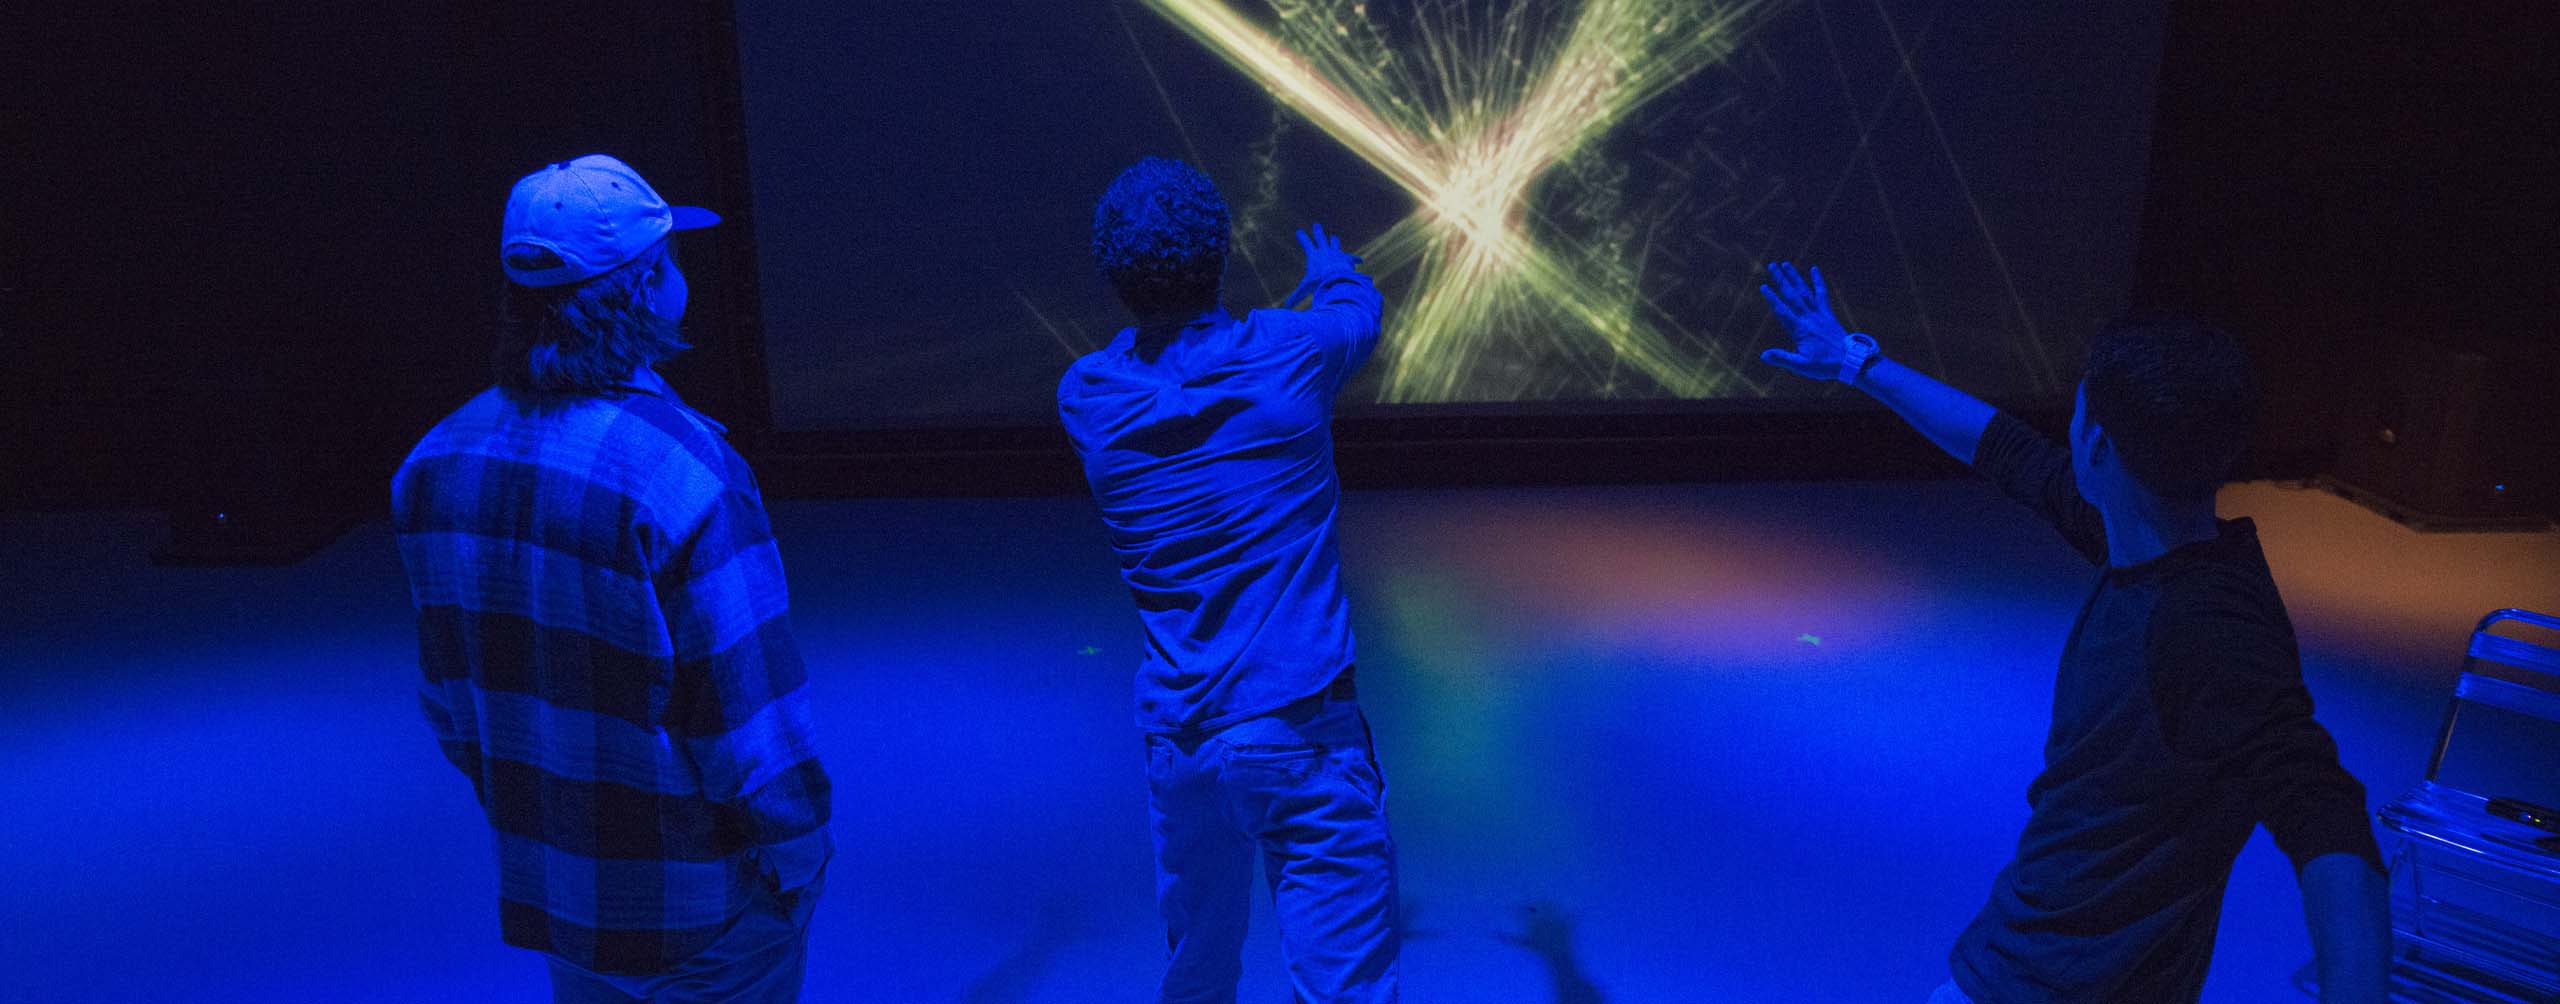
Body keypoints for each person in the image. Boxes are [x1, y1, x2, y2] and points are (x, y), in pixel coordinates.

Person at [1756, 262, 2391, 1004]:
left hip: (2048, 982)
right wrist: (1856, 362)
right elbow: (2008, 452)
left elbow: (2323, 812)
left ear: (2098, 446)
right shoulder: (2164, 541)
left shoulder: (2205, 631)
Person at [392, 154, 832, 1003]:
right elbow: (749, 722)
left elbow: (452, 706)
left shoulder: (432, 462)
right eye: (670, 260)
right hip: (701, 914)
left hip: (562, 897)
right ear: (646, 287)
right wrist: (801, 863)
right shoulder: (687, 471)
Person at [1058, 157, 1399, 1003]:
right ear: (1223, 251)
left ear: (1113, 275)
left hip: (1184, 746)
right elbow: (1356, 311)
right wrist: (1329, 273)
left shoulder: (1089, 397)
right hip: (1304, 736)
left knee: (1199, 978)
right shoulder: (1293, 359)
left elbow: (1173, 371)